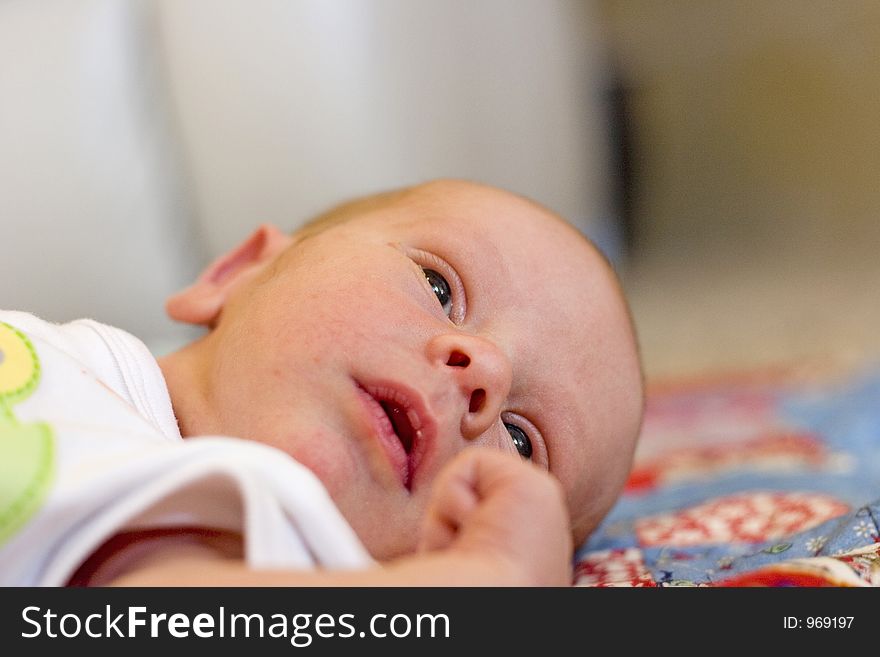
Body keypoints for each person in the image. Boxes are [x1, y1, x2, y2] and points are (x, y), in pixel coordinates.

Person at [0, 179, 643, 586]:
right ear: (240, 270)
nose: (487, 373)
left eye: (524, 443)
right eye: (440, 286)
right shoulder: (73, 372)